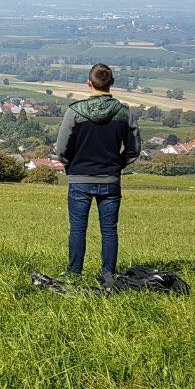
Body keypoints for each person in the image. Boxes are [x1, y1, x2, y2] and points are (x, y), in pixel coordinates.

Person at [53, 63, 142, 281]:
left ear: (89, 84)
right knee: (109, 230)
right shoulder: (124, 113)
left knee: (77, 229)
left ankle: (74, 274)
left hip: (79, 178)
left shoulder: (74, 112)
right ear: (111, 84)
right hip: (110, 179)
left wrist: (69, 165)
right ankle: (108, 275)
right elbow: (134, 148)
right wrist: (118, 164)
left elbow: (61, 148)